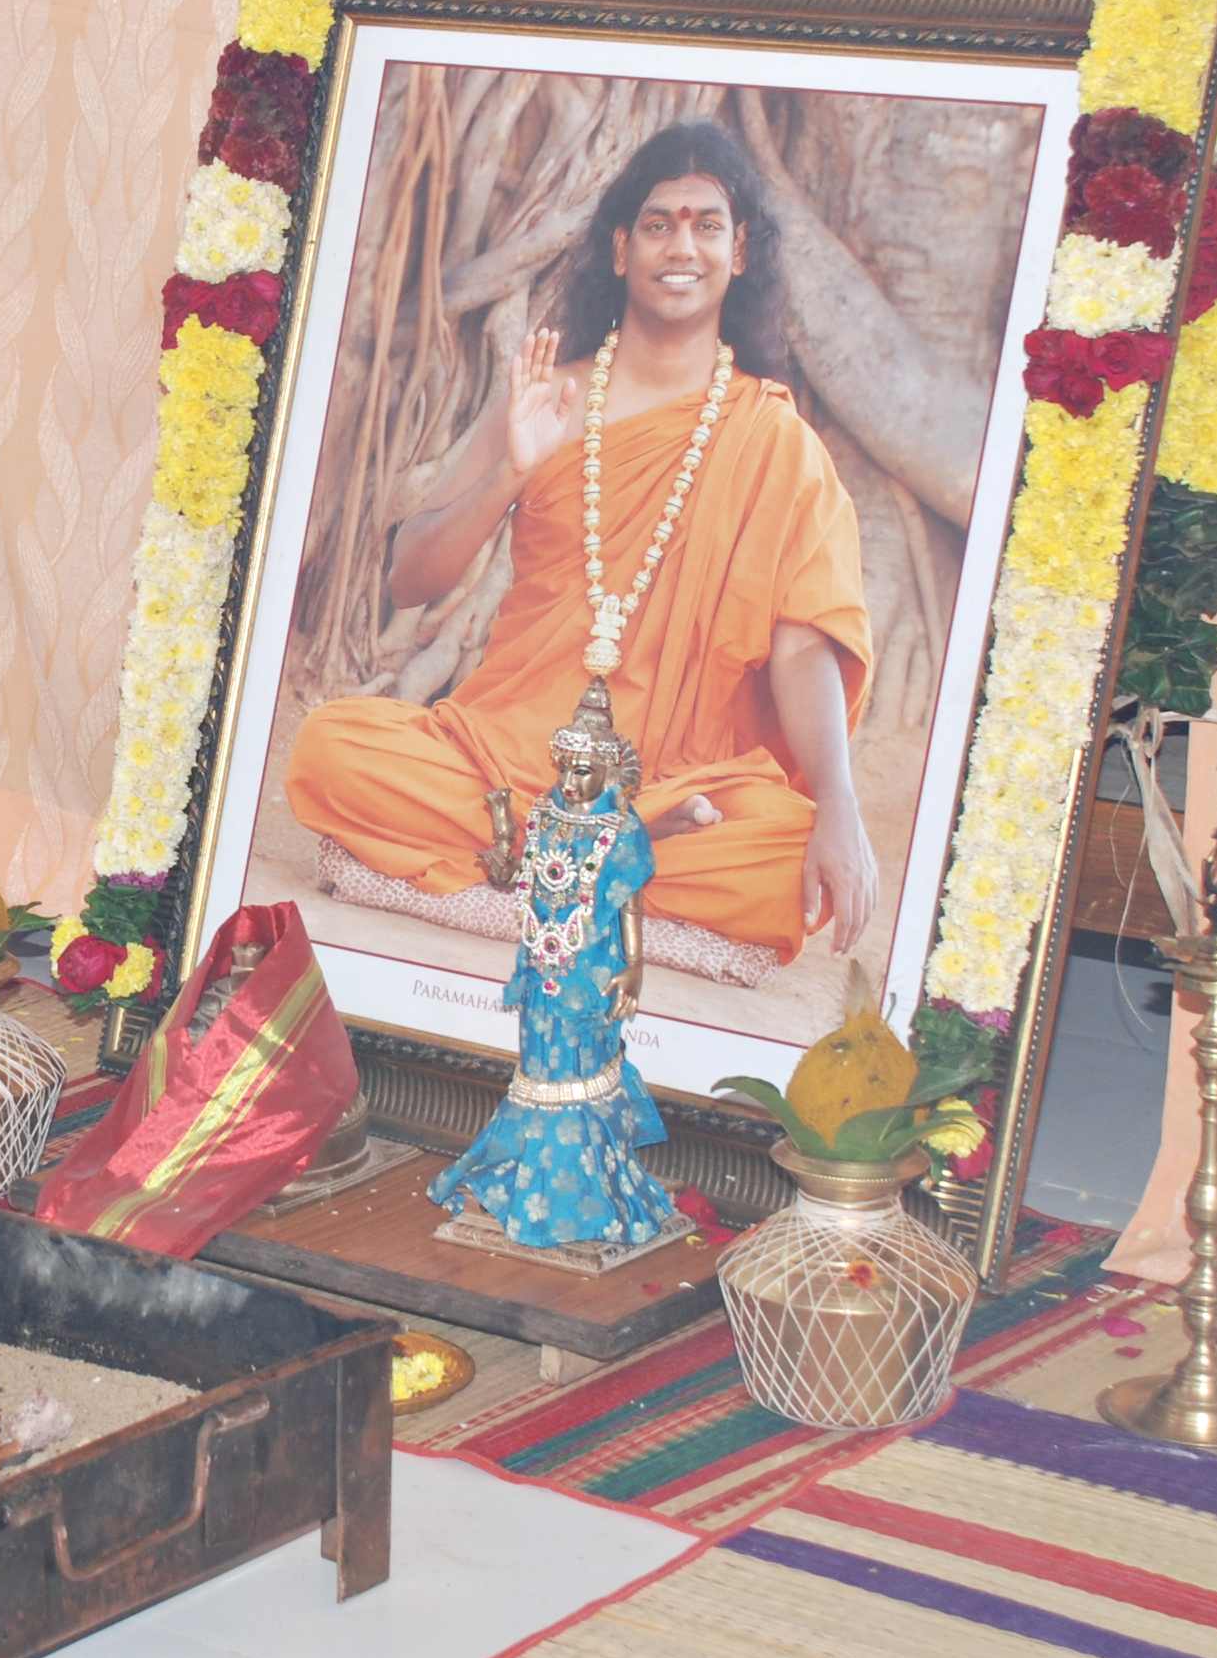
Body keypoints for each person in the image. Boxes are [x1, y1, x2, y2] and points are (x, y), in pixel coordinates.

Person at [284, 118, 877, 963]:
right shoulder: (547, 401)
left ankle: (544, 857)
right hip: (506, 757)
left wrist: (841, 811)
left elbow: (803, 649)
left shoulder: (777, 444)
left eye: (707, 225)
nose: (683, 246)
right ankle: (606, 857)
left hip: (674, 782)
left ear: (740, 252)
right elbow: (411, 577)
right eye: (659, 223)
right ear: (621, 249)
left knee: (781, 855)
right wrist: (510, 474)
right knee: (333, 750)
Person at [426, 685, 680, 1250]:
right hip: (540, 962)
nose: (570, 781)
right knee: (538, 1068)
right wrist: (501, 852)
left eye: (582, 772)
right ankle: (529, 1175)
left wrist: (635, 966)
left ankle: (584, 1187)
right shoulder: (544, 813)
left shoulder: (622, 827)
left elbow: (630, 901)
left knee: (582, 1068)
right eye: (564, 768)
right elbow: (522, 877)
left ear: (609, 772)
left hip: (593, 968)